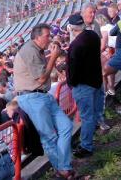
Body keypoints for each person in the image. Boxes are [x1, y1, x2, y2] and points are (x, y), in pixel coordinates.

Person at [13, 23, 74, 179]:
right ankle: (63, 170)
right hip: (32, 96)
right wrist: (53, 57)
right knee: (49, 137)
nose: (50, 39)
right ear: (37, 37)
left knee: (66, 126)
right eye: (47, 36)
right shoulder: (29, 51)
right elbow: (41, 78)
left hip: (41, 95)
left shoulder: (36, 49)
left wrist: (52, 55)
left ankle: (63, 167)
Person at [66, 13, 103, 158]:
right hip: (95, 81)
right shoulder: (93, 35)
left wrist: (71, 83)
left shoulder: (76, 45)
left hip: (83, 85)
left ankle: (86, 146)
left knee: (86, 117)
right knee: (91, 115)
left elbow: (73, 69)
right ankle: (87, 141)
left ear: (71, 27)